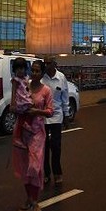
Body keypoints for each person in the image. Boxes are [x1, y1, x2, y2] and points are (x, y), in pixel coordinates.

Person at [12, 59, 53, 211]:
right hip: (22, 131)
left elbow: (50, 111)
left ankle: (35, 201)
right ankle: (29, 198)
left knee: (34, 167)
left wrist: (37, 112)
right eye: (33, 70)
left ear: (42, 73)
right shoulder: (24, 85)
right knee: (24, 167)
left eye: (38, 71)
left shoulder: (46, 91)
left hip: (37, 133)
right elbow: (16, 102)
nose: (34, 73)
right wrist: (15, 108)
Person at [41, 57, 69, 186]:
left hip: (57, 115)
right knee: (44, 146)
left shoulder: (61, 77)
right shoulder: (42, 78)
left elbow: (65, 97)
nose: (47, 66)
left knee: (56, 146)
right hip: (43, 117)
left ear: (54, 64)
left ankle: (57, 172)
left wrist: (66, 114)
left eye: (49, 63)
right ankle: (46, 173)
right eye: (45, 63)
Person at [10, 57, 38, 150]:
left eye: (21, 69)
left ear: (25, 69)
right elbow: (13, 92)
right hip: (20, 101)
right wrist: (12, 103)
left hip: (26, 99)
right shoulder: (16, 80)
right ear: (14, 70)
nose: (20, 71)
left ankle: (27, 125)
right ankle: (17, 138)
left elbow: (28, 88)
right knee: (21, 118)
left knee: (31, 111)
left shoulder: (26, 78)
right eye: (18, 69)